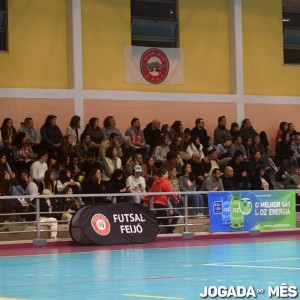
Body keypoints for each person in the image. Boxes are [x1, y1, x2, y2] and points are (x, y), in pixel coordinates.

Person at [144, 166, 179, 234]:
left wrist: (146, 200)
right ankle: (169, 232)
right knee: (162, 219)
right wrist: (176, 199)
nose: (167, 175)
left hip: (156, 204)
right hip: (162, 204)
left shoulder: (155, 182)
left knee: (159, 219)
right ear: (163, 175)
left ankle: (153, 232)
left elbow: (150, 193)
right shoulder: (165, 182)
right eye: (167, 174)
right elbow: (171, 192)